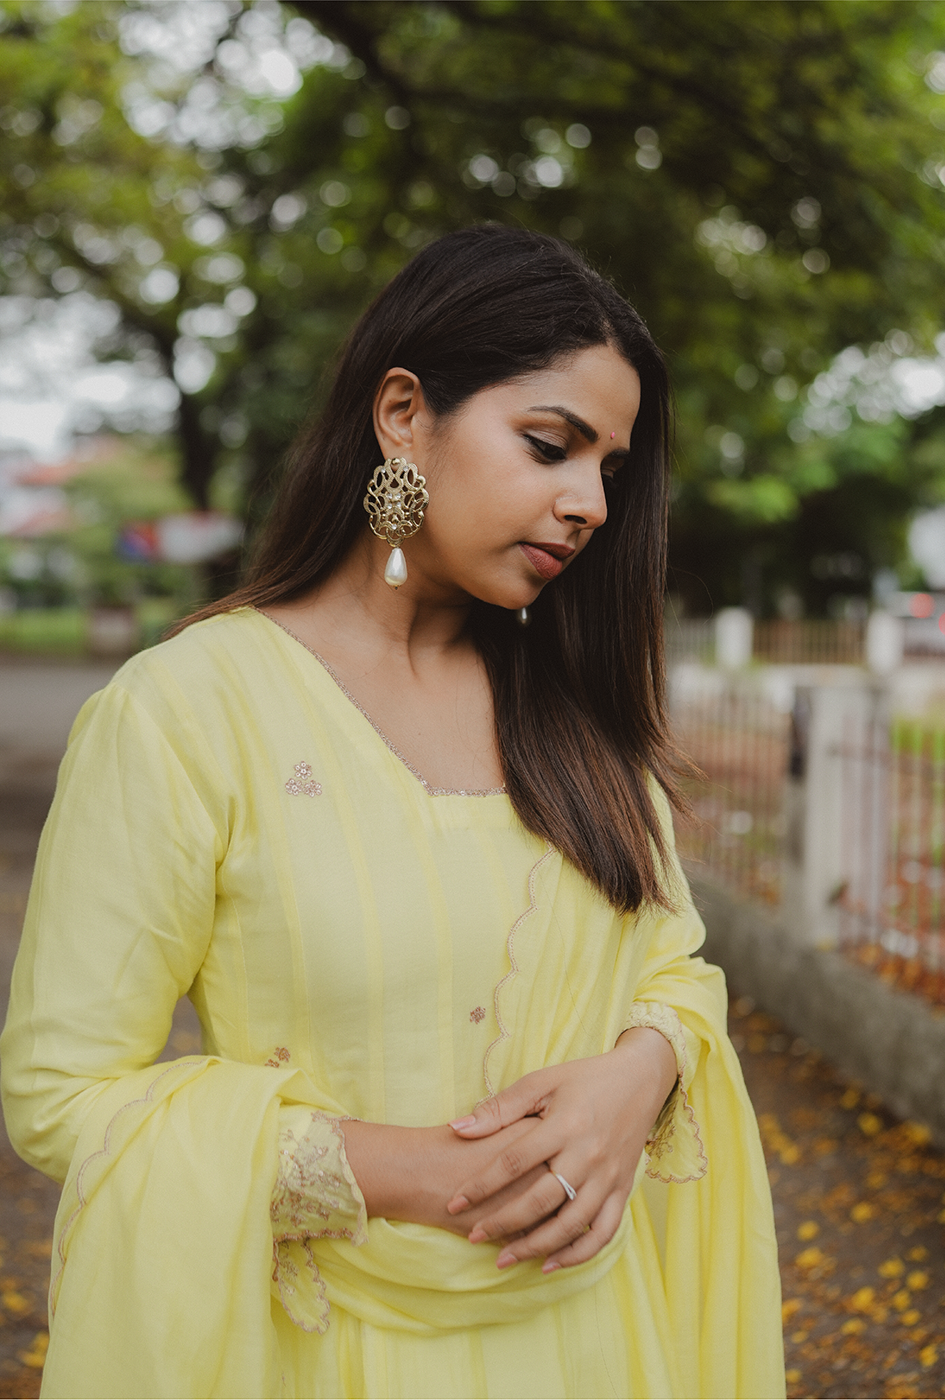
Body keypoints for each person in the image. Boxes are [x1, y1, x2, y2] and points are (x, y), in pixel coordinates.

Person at [1, 225, 784, 1400]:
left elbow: (673, 959)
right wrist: (408, 1172)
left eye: (609, 471)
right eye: (549, 444)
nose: (587, 504)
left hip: (594, 1340)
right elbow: (65, 1093)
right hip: (327, 1351)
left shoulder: (574, 713)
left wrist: (644, 1071)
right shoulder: (190, 711)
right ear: (404, 414)